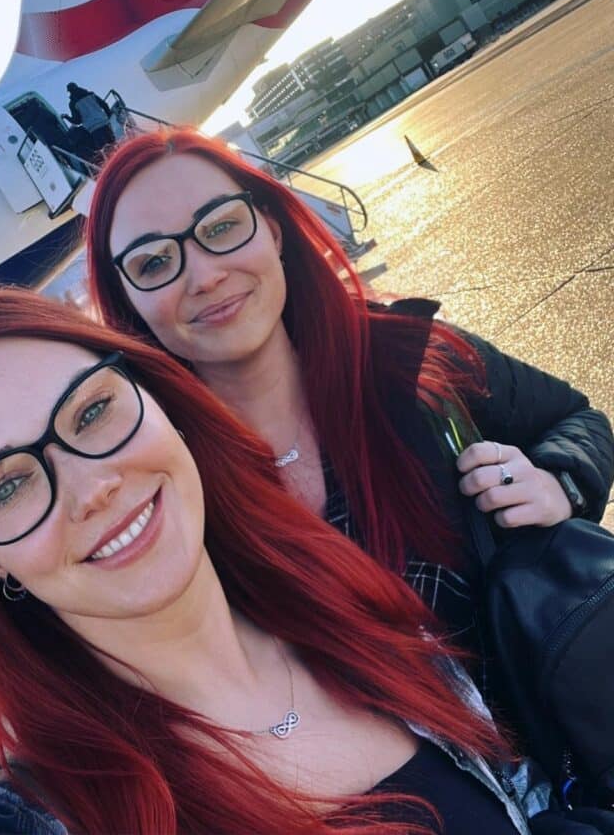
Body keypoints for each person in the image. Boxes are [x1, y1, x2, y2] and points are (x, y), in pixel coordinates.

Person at [0, 288, 558, 835]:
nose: (92, 488)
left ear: (156, 400)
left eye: (90, 413)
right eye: (6, 487)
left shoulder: (353, 607)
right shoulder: (21, 821)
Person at [85, 127, 614, 693]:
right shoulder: (160, 492)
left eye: (221, 227)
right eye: (153, 263)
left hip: (567, 744)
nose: (205, 276)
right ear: (128, 301)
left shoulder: (410, 359)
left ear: (271, 227)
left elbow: (575, 419)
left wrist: (560, 481)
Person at [61, 82, 114, 150]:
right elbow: (104, 105)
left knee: (106, 149)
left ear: (69, 92)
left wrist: (66, 117)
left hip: (93, 128)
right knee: (114, 143)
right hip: (104, 122)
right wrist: (109, 116)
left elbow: (77, 121)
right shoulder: (91, 95)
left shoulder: (73, 103)